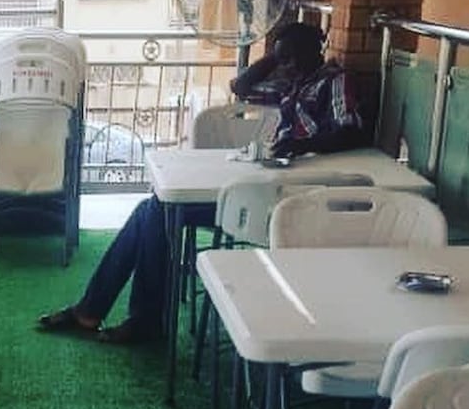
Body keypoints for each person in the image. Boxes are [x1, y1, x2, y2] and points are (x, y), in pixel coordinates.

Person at [37, 22, 364, 344]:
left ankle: (120, 316)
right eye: (283, 60)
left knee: (156, 210)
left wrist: (302, 144)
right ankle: (114, 315)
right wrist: (274, 57)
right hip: (273, 184)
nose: (286, 67)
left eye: (292, 58)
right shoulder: (293, 84)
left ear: (313, 51)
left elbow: (351, 129)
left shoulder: (334, 80)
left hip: (295, 199)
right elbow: (241, 87)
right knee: (152, 209)